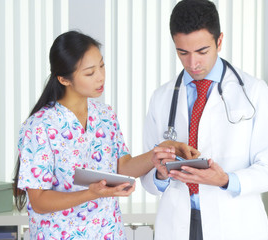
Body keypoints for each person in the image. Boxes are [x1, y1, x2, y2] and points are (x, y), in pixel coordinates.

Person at [12, 31, 196, 240]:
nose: (100, 76)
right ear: (64, 79)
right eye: (89, 73)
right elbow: (39, 201)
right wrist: (92, 193)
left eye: (101, 66)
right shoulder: (39, 126)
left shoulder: (105, 115)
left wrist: (160, 151)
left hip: (109, 233)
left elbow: (122, 167)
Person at [140, 0, 268, 239]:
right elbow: (147, 178)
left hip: (233, 223)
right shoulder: (161, 97)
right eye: (183, 52)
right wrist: (160, 174)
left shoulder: (254, 91)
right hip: (178, 223)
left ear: (219, 41)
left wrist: (226, 179)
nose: (192, 63)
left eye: (202, 51)